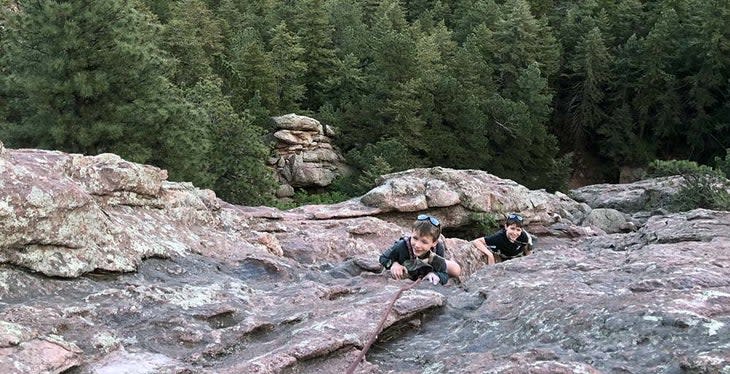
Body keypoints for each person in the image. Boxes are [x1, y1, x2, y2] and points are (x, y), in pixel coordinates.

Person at [379, 214, 462, 285]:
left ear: (434, 243)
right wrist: (394, 264)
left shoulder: (438, 249)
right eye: (415, 238)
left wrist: (435, 275)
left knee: (454, 269)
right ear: (411, 233)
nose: (417, 245)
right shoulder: (402, 246)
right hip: (404, 280)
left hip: (422, 283)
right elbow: (383, 258)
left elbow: (444, 273)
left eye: (424, 242)